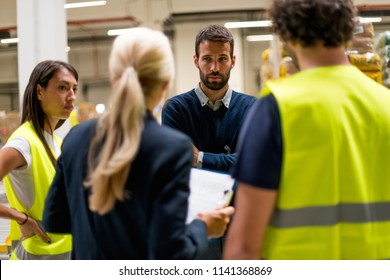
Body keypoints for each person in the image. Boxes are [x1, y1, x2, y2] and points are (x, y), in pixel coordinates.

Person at [42, 27, 234, 260]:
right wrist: (203, 227)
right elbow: (171, 251)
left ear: (113, 78)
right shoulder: (172, 148)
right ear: (165, 84)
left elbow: (55, 220)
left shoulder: (76, 138)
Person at [223, 0, 390, 260]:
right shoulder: (385, 104)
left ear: (286, 33)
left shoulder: (276, 109)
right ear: (347, 28)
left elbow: (244, 247)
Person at [0, 60, 78, 259]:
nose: (71, 97)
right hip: (38, 257)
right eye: (62, 87)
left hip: (65, 253)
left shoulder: (58, 143)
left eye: (74, 89)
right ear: (39, 92)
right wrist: (21, 218)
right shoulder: (23, 143)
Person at [162, 24, 256, 173]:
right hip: (191, 196)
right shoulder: (176, 109)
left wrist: (200, 158)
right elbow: (175, 163)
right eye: (207, 59)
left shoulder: (253, 108)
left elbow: (253, 161)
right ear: (196, 61)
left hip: (237, 196)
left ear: (233, 61)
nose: (215, 68)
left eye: (222, 59)